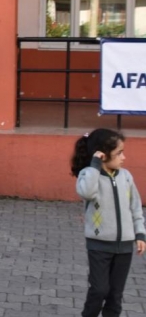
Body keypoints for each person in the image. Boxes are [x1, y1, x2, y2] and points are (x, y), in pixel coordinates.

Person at [73, 129, 145, 317]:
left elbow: (136, 207)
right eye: (119, 153)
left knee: (115, 296)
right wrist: (95, 165)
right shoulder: (89, 175)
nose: (124, 157)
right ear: (103, 154)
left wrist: (140, 233)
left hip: (124, 248)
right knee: (98, 290)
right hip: (99, 247)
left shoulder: (126, 176)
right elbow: (87, 193)